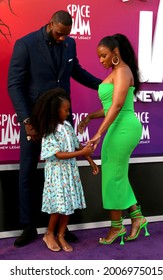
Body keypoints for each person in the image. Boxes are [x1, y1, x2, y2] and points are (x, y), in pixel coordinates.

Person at [8, 10, 102, 248]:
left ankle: (62, 226)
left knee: (66, 170)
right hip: (36, 120)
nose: (63, 38)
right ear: (50, 24)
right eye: (60, 34)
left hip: (62, 120)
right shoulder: (26, 44)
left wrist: (103, 85)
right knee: (28, 170)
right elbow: (15, 85)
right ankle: (28, 226)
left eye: (66, 35)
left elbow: (76, 71)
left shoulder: (70, 44)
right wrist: (27, 121)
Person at [78, 34, 150, 245]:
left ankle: (116, 228)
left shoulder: (122, 71)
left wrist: (99, 133)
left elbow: (118, 107)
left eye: (103, 56)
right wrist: (91, 116)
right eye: (99, 57)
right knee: (116, 174)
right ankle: (137, 217)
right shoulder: (117, 72)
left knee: (113, 177)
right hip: (118, 126)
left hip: (124, 127)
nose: (101, 60)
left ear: (115, 53)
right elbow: (111, 107)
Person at [31, 88, 99, 252]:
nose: (69, 113)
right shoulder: (49, 131)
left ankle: (61, 235)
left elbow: (77, 144)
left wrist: (90, 160)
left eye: (69, 110)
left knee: (68, 205)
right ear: (55, 111)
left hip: (70, 173)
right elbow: (58, 154)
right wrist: (82, 153)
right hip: (56, 173)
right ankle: (49, 233)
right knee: (58, 206)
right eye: (66, 110)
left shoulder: (68, 126)